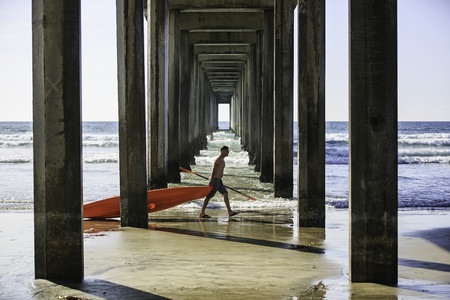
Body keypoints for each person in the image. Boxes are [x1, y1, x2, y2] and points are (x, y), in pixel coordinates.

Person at [199, 145, 239, 218]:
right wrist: (212, 180)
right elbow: (214, 170)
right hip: (216, 180)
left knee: (225, 193)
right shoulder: (219, 160)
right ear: (223, 151)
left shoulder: (222, 160)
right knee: (208, 196)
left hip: (219, 180)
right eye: (227, 151)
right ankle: (202, 213)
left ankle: (230, 212)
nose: (228, 152)